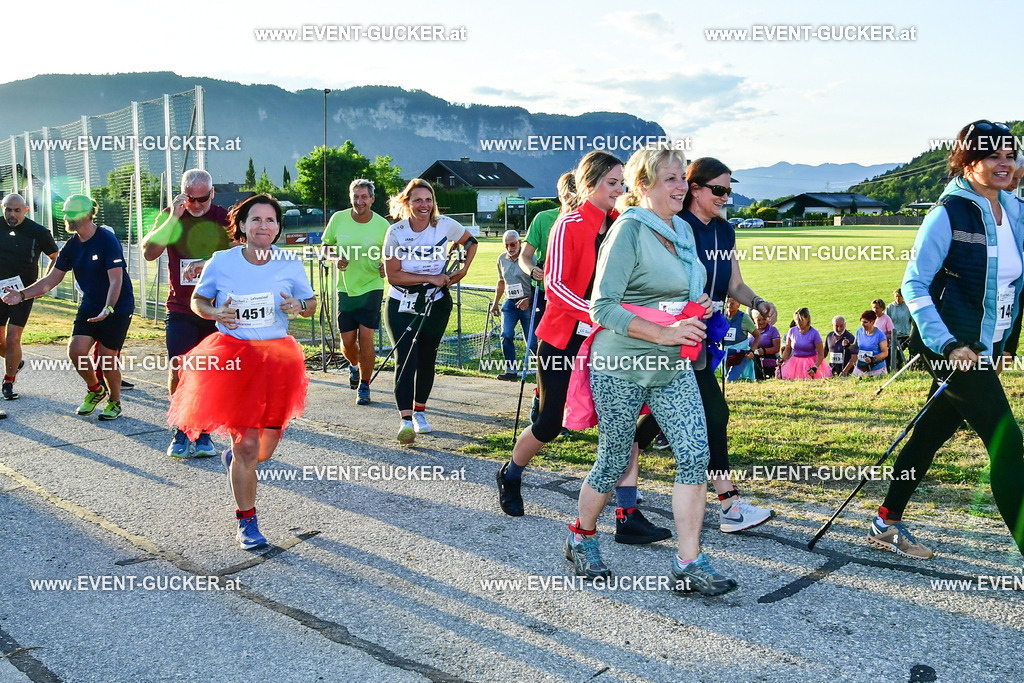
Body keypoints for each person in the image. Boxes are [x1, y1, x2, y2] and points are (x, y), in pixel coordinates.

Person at [563, 144, 736, 594]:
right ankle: (580, 537)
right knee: (615, 459)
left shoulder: (681, 230)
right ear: (644, 187)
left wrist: (700, 310)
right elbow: (602, 307)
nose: (682, 186)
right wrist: (662, 332)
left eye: (684, 177)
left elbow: (682, 291)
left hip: (671, 367)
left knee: (696, 454)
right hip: (620, 364)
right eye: (672, 178)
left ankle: (689, 561)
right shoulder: (629, 232)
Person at [869, 120, 1024, 564]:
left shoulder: (1013, 210)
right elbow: (914, 284)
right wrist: (949, 344)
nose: (1004, 163)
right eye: (993, 155)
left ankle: (886, 520)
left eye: (1009, 155)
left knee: (931, 433)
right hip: (953, 347)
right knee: (1007, 442)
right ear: (968, 160)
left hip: (986, 347)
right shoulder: (947, 213)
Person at [497, 151, 668, 543]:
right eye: (611, 183)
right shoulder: (567, 224)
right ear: (588, 185)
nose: (619, 190)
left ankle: (627, 514)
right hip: (563, 341)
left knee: (622, 421)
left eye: (622, 183)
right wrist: (602, 315)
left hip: (608, 342)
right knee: (550, 422)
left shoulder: (620, 224)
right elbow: (555, 288)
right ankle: (510, 473)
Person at [167, 194, 316, 550]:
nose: (263, 226)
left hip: (278, 361)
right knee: (247, 444)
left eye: (270, 220)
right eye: (256, 220)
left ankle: (235, 461)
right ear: (242, 226)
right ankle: (247, 522)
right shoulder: (222, 261)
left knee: (263, 451)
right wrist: (215, 313)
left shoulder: (289, 262)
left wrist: (299, 305)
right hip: (234, 359)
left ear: (278, 227)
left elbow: (311, 304)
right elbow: (197, 301)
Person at [635, 157, 776, 532]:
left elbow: (734, 285)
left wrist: (758, 302)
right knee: (714, 412)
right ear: (694, 189)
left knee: (656, 419)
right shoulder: (677, 227)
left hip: (703, 336)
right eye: (718, 190)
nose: (725, 197)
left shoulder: (726, 231)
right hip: (673, 334)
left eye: (728, 190)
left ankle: (620, 479)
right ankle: (729, 506)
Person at [1, 195, 134, 419]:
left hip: (117, 305)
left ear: (86, 214)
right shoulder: (72, 246)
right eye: (65, 212)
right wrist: (21, 295)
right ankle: (95, 390)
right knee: (76, 351)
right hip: (91, 304)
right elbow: (50, 280)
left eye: (70, 212)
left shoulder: (106, 239)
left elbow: (116, 280)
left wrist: (108, 308)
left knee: (106, 357)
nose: (66, 217)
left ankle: (115, 402)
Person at [142, 169, 233, 457]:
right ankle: (181, 428)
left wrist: (209, 263)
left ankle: (204, 431)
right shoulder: (173, 215)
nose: (196, 205)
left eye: (202, 199)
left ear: (212, 193)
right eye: (190, 199)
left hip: (212, 308)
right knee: (178, 366)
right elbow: (149, 251)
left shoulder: (221, 216)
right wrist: (174, 217)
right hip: (180, 306)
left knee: (208, 370)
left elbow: (241, 248)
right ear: (181, 194)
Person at [382, 179, 477, 444]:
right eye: (417, 200)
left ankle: (420, 412)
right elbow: (393, 275)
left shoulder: (445, 225)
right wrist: (430, 279)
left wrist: (463, 270)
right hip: (402, 303)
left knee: (427, 357)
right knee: (406, 357)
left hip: (436, 302)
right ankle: (404, 421)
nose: (424, 205)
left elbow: (471, 242)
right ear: (407, 203)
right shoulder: (396, 232)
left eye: (428, 199)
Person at [322, 178, 390, 406]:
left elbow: (392, 255)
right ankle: (354, 365)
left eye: (364, 197)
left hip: (372, 286)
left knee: (367, 338)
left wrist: (385, 266)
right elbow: (325, 247)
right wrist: (334, 258)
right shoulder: (338, 219)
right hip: (346, 289)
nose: (359, 201)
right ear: (350, 198)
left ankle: (365, 385)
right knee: (348, 343)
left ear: (372, 199)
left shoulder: (383, 226)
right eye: (356, 197)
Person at [519, 172, 575, 424]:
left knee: (574, 356)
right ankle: (541, 402)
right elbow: (525, 255)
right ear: (560, 194)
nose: (574, 200)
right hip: (547, 295)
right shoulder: (544, 218)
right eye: (569, 195)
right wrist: (532, 269)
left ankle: (566, 411)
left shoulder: (593, 221)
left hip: (578, 298)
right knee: (547, 352)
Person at [0, 193, 58, 400]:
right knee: (1, 342)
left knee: (13, 337)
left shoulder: (38, 232)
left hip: (23, 293)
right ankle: (15, 362)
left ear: (25, 210)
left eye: (17, 210)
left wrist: (43, 285)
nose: (12, 214)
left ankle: (9, 380)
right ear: (2, 208)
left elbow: (55, 257)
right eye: (8, 210)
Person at [490, 230, 539, 381]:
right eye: (506, 245)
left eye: (513, 244)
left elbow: (538, 283)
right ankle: (511, 371)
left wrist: (529, 299)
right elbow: (501, 282)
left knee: (531, 342)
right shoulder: (501, 259)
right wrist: (495, 303)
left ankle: (543, 372)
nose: (510, 248)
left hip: (526, 302)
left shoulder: (530, 258)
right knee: (506, 335)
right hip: (510, 302)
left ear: (519, 242)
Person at [779, 307, 830, 379]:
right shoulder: (792, 331)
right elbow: (788, 349)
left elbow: (821, 354)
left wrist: (815, 367)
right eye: (796, 320)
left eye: (801, 320)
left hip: (811, 363)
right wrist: (782, 359)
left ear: (808, 319)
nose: (798, 323)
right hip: (795, 363)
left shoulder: (814, 333)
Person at [722, 296, 760, 381]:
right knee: (722, 380)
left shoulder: (744, 318)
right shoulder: (721, 317)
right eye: (727, 303)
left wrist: (751, 351)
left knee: (730, 380)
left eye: (732, 303)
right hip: (724, 353)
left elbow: (757, 336)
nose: (729, 305)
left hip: (740, 354)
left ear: (738, 305)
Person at [852, 310, 888, 377]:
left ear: (873, 322)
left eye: (865, 322)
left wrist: (872, 358)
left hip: (876, 369)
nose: (863, 324)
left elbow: (885, 353)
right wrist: (847, 345)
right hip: (860, 368)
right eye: (861, 321)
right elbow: (855, 347)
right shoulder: (859, 331)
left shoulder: (880, 334)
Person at [748, 308, 781, 380]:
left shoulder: (773, 330)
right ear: (754, 319)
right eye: (758, 320)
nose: (762, 322)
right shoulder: (750, 329)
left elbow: (776, 348)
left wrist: (763, 351)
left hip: (768, 359)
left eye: (764, 319)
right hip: (751, 359)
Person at [886, 288, 913, 368]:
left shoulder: (908, 307)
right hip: (894, 336)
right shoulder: (890, 308)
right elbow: (886, 321)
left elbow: (912, 321)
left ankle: (911, 365)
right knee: (895, 351)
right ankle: (898, 367)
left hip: (906, 335)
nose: (898, 298)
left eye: (899, 296)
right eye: (896, 296)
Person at [872, 298, 896, 371]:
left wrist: (882, 338)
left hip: (883, 346)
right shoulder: (872, 319)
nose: (875, 310)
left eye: (877, 308)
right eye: (873, 308)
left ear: (882, 308)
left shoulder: (886, 318)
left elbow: (891, 333)